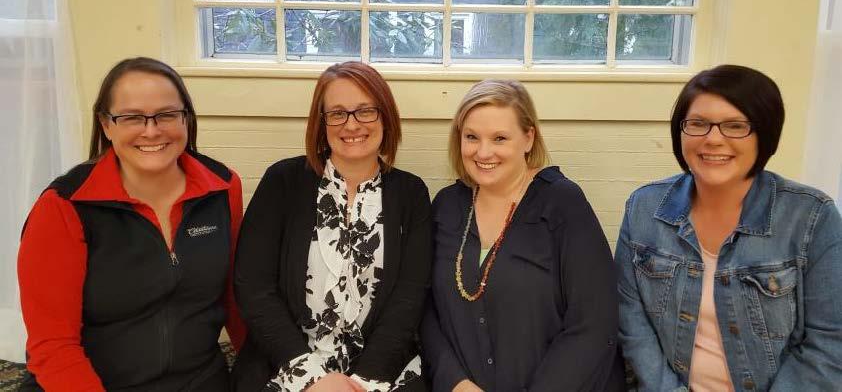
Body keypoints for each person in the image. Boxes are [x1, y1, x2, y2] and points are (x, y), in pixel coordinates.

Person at [17, 57, 245, 391]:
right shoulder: (62, 207)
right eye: (132, 117)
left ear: (186, 119)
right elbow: (52, 345)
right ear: (106, 125)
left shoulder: (223, 187)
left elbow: (237, 302)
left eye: (167, 114)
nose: (151, 130)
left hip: (199, 380)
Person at [616, 65, 842, 391]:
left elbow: (831, 343)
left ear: (764, 133)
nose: (713, 139)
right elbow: (632, 327)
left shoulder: (812, 217)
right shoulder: (644, 208)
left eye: (735, 126)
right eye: (698, 124)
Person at [232, 61, 431, 391]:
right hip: (287, 365)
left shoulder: (411, 194)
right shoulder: (283, 182)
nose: (351, 125)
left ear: (385, 117)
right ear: (320, 122)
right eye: (337, 113)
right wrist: (312, 377)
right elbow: (254, 288)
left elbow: (410, 297)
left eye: (366, 111)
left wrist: (364, 381)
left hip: (382, 371)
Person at [421, 79, 624, 391]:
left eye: (500, 138)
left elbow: (594, 324)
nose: (483, 152)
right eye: (471, 137)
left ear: (528, 137)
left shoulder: (562, 203)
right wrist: (455, 382)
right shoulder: (447, 206)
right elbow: (427, 310)